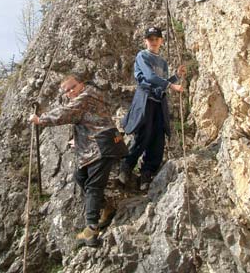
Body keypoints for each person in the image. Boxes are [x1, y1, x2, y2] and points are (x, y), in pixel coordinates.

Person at [29, 73, 127, 247]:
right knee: (80, 177)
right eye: (66, 91)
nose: (70, 92)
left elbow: (65, 113)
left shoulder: (86, 96)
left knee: (93, 186)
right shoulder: (90, 95)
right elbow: (92, 119)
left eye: (72, 87)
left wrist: (40, 119)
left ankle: (91, 230)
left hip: (101, 145)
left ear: (81, 84)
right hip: (98, 144)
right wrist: (81, 137)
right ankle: (106, 208)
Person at [119, 26, 186, 190]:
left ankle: (146, 173)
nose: (153, 41)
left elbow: (160, 82)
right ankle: (126, 167)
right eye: (150, 39)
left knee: (158, 137)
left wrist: (176, 76)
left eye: (156, 38)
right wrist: (172, 85)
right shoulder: (142, 55)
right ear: (145, 41)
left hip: (158, 101)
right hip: (145, 99)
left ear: (161, 41)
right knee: (144, 133)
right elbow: (149, 77)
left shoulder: (163, 62)